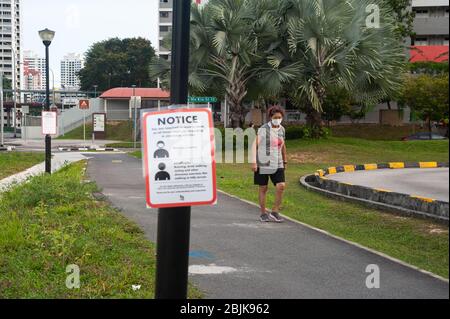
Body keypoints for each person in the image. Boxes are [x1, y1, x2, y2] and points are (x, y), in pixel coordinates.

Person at [251, 106, 287, 223]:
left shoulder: (282, 129)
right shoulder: (263, 129)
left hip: (278, 162)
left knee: (281, 185)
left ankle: (275, 212)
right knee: (263, 188)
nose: (278, 119)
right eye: (275, 117)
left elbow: (283, 145)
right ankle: (263, 213)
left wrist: (285, 160)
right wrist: (253, 162)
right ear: (270, 117)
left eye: (280, 117)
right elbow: (254, 145)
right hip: (263, 163)